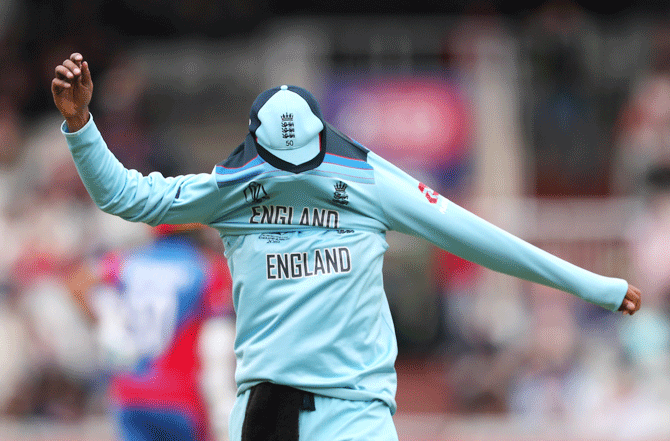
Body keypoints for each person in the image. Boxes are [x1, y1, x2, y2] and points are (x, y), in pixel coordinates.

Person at [52, 53, 641, 441]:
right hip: (264, 414)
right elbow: (127, 197)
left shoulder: (368, 180)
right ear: (255, 147)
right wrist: (80, 125)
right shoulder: (230, 188)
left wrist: (597, 287)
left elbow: (479, 237)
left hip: (354, 415)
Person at [66, 223, 234, 441]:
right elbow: (219, 332)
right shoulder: (207, 266)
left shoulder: (126, 261)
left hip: (130, 390)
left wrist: (108, 325)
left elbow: (78, 283)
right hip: (181, 394)